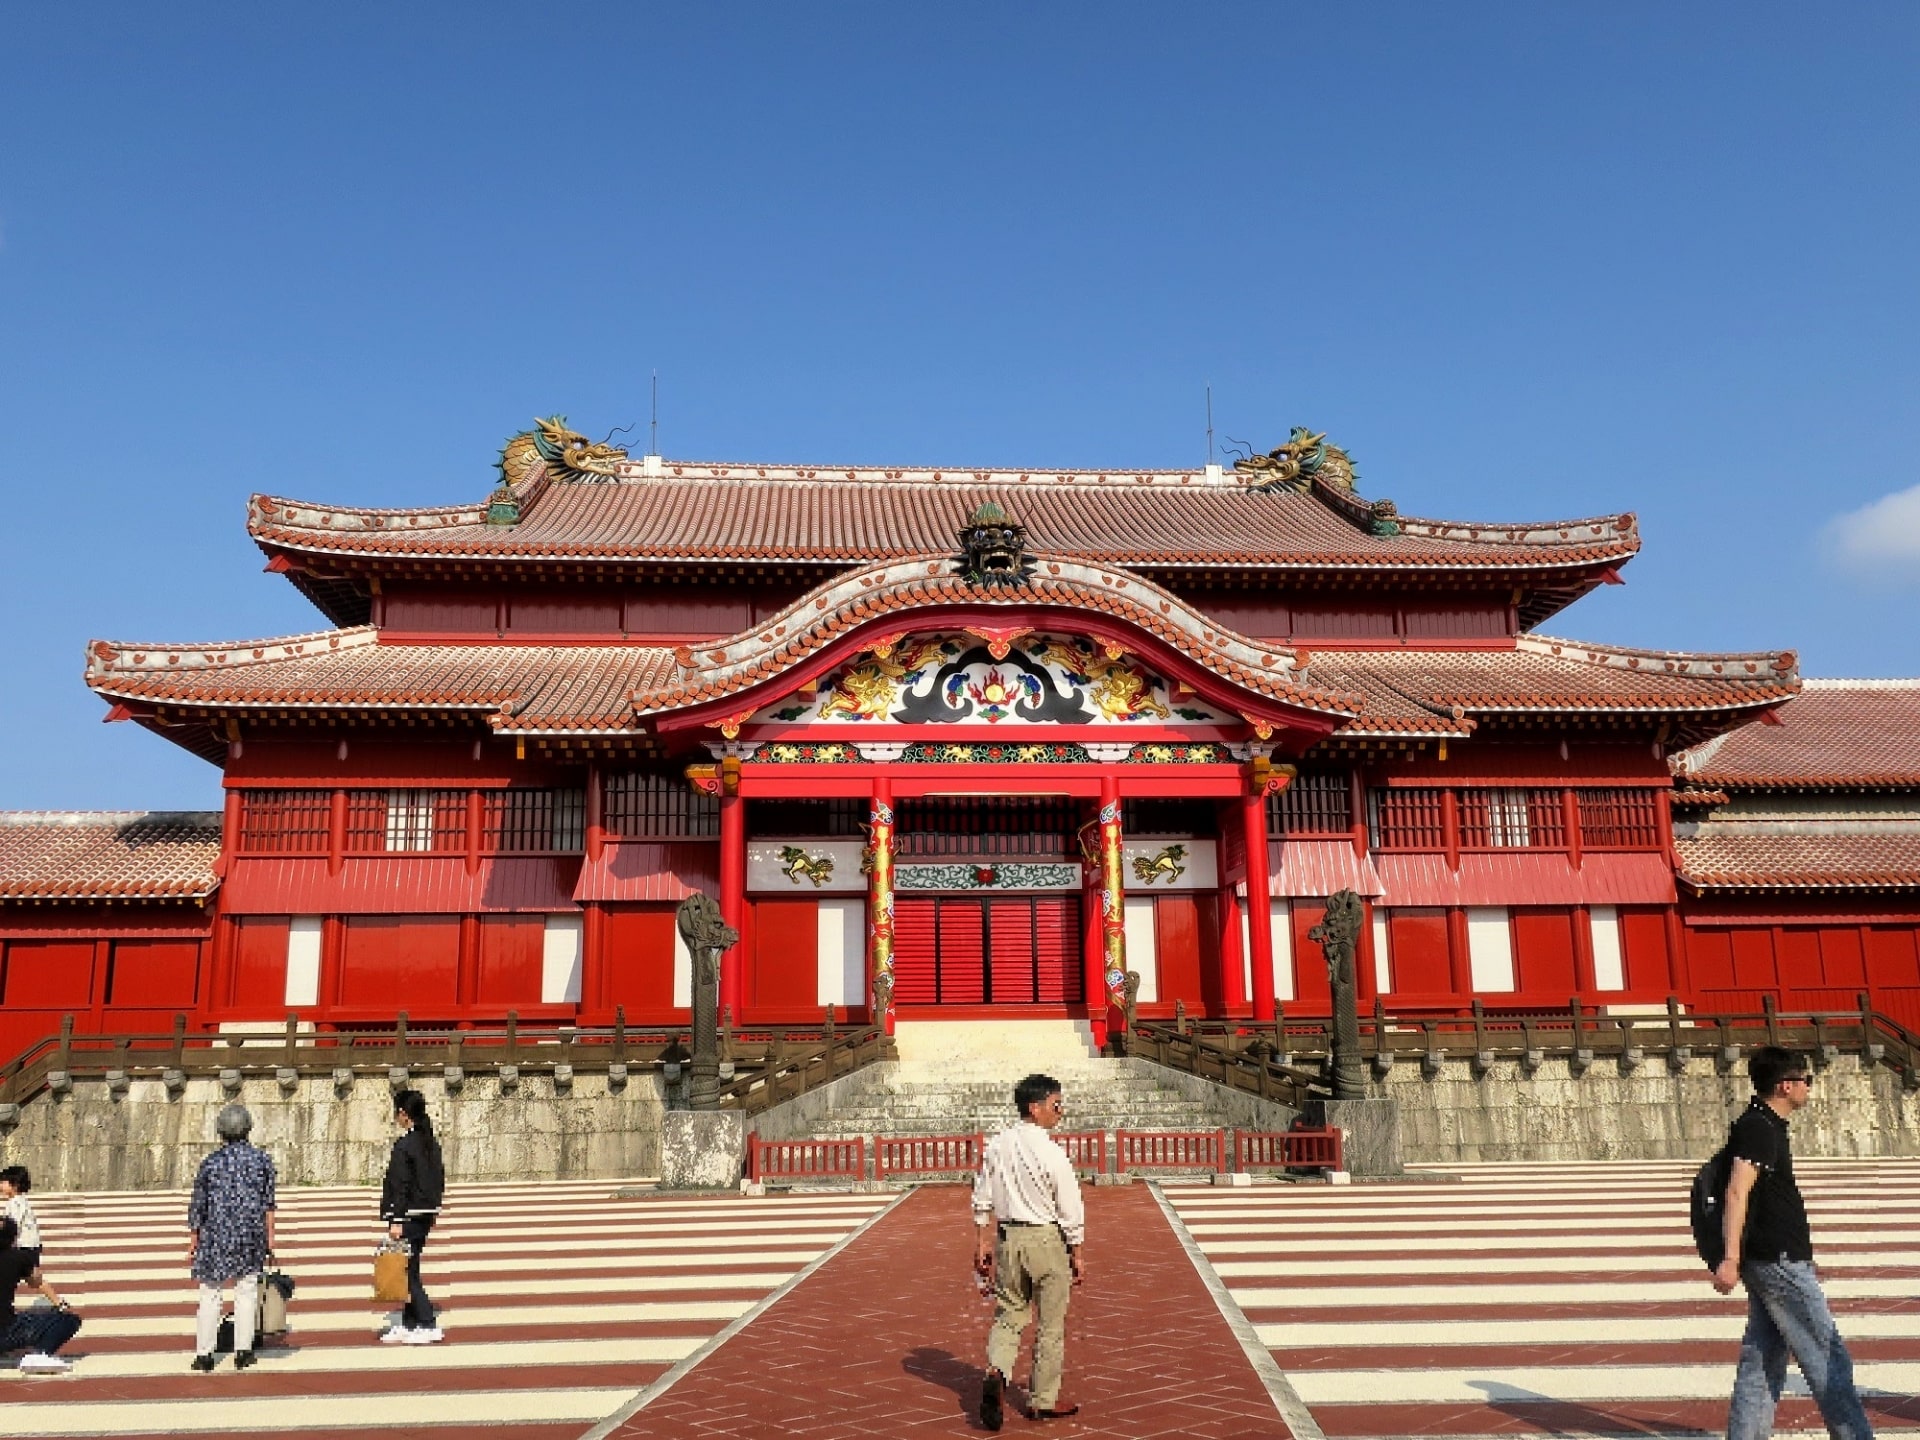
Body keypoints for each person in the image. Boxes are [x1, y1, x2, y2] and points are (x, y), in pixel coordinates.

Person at [1714, 1045, 1874, 1440]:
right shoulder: (1758, 1127)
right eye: (1806, 1080)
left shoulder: (1765, 1124)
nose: (1809, 1087)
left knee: (1763, 1358)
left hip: (1776, 1258)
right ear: (1786, 1086)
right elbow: (1737, 1192)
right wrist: (1730, 1257)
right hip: (1777, 1260)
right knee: (1827, 1354)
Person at [970, 1072, 1086, 1429]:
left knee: (1009, 1314)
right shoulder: (1052, 1152)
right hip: (1046, 1240)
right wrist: (1077, 1251)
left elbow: (982, 1194)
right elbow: (1070, 1205)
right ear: (1035, 1108)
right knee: (1050, 1324)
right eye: (1055, 1104)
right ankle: (1042, 1400)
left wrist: (982, 1240)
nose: (1060, 1112)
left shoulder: (997, 1145)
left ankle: (997, 1370)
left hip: (1009, 1239)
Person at [187, 1103, 277, 1373]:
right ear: (248, 1129)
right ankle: (243, 1351)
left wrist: (194, 1238)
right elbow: (268, 1204)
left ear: (221, 1132)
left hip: (216, 1234)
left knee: (210, 1292)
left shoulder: (210, 1163)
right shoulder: (262, 1161)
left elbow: (198, 1205)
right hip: (250, 1233)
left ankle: (204, 1354)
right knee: (246, 1291)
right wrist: (270, 1237)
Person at [379, 1088, 446, 1345]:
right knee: (410, 1265)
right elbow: (438, 1181)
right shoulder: (430, 1142)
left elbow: (401, 1185)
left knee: (407, 1271)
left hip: (409, 1215)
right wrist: (434, 1209)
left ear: (404, 1114)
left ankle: (428, 1322)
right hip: (425, 1213)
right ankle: (409, 1323)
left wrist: (396, 1219)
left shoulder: (405, 1145)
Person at [0, 1216, 79, 1374]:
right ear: (13, 1238)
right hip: (5, 1330)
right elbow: (36, 1281)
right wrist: (58, 1302)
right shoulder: (18, 1258)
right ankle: (40, 1354)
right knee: (69, 1320)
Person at [0, 1166, 42, 1272]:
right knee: (33, 1280)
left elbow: (13, 1227)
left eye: (3, 1182)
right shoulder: (19, 1201)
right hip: (29, 1247)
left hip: (24, 1248)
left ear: (15, 1185)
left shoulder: (15, 1203)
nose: (0, 1185)